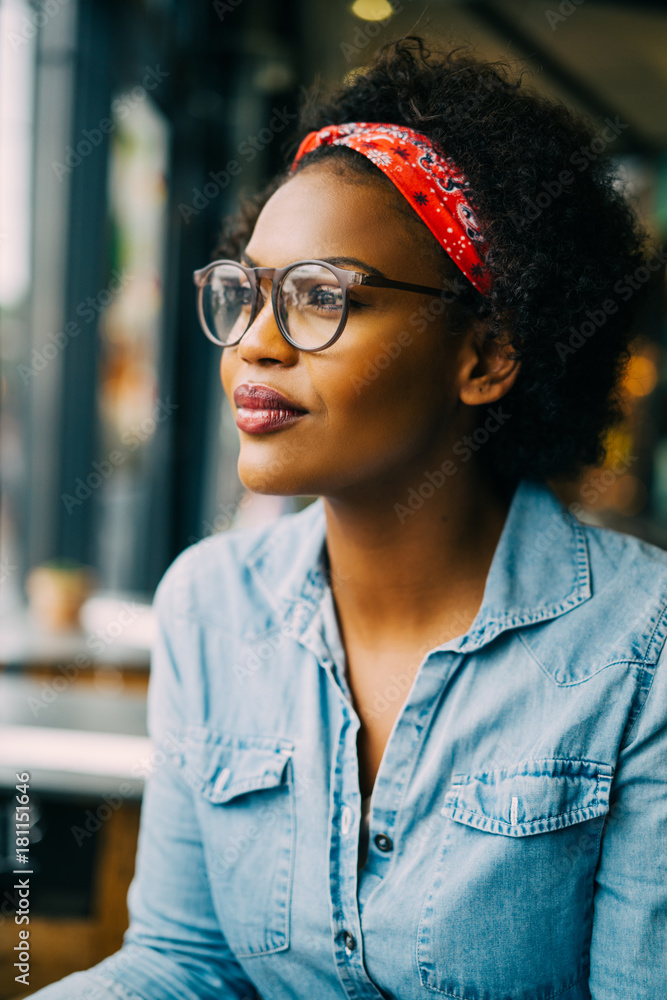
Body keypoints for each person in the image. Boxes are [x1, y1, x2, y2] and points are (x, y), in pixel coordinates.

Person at [28, 33, 667, 1000]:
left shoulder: (641, 649)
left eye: (322, 297)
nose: (257, 344)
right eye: (245, 292)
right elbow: (185, 965)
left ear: (486, 358)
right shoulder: (211, 606)